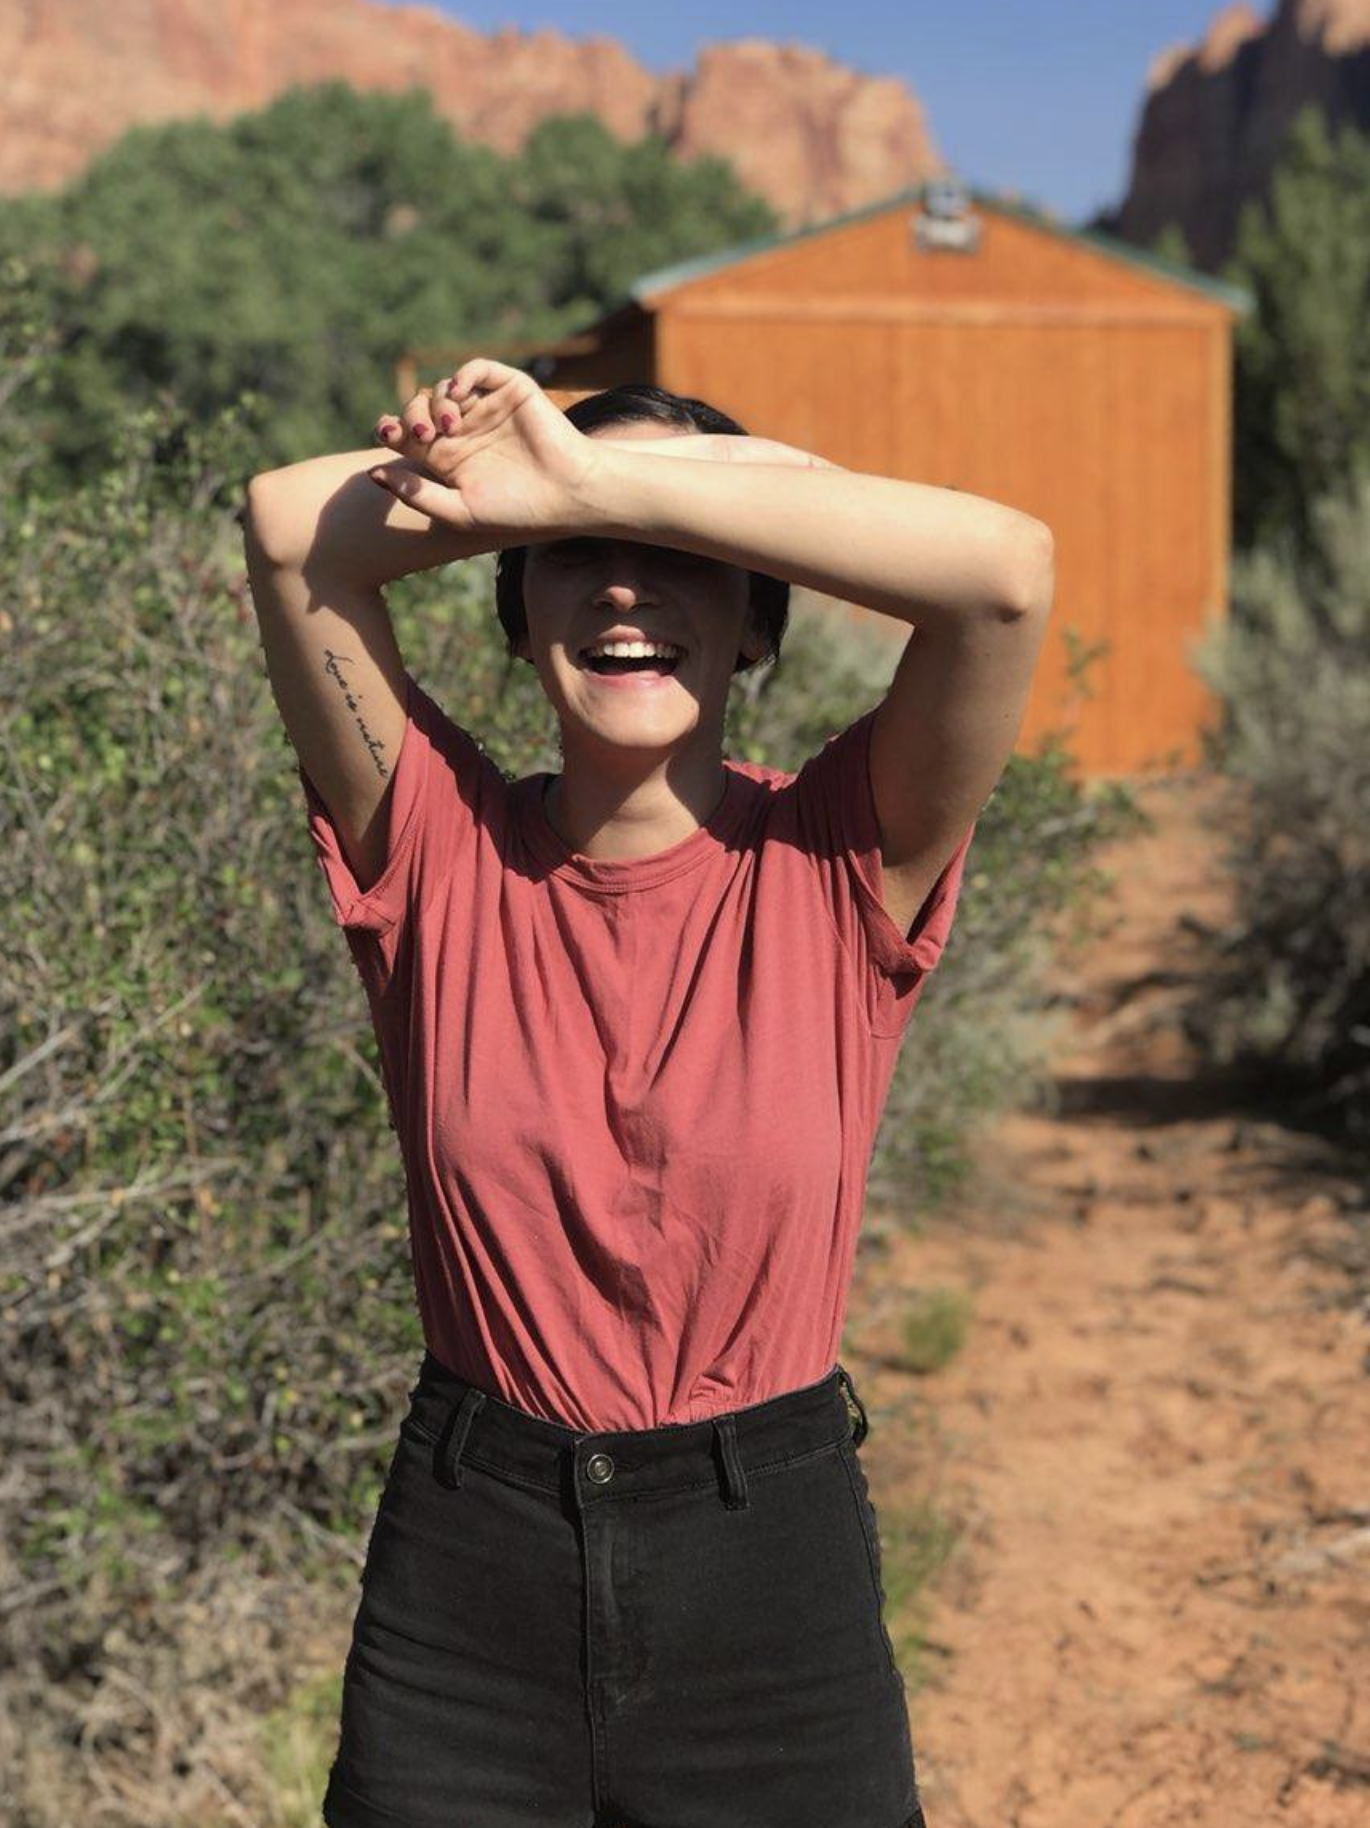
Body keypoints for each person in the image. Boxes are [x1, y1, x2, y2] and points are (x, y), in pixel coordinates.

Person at [242, 357, 1054, 1828]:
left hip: (770, 1590)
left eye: (680, 556)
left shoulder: (843, 855)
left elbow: (1003, 578)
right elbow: (289, 527)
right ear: (517, 607)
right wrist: (548, 483)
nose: (626, 588)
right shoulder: (431, 844)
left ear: (757, 622)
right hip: (467, 1585)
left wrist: (593, 479)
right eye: (578, 556)